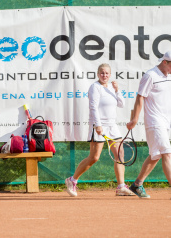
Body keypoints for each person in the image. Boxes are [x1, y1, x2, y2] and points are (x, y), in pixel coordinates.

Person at [65, 63, 134, 197]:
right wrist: (98, 125)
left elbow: (121, 104)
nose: (104, 75)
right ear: (98, 74)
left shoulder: (111, 88)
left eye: (107, 73)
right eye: (102, 73)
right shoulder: (94, 87)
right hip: (99, 125)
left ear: (110, 74)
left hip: (112, 126)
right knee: (94, 157)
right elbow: (93, 107)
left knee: (119, 155)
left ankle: (121, 187)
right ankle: (72, 180)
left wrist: (117, 90)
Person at [127, 51, 171, 198]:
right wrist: (134, 119)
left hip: (165, 122)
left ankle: (137, 185)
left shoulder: (168, 75)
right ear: (165, 62)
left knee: (155, 155)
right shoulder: (150, 76)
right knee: (167, 153)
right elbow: (140, 97)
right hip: (154, 121)